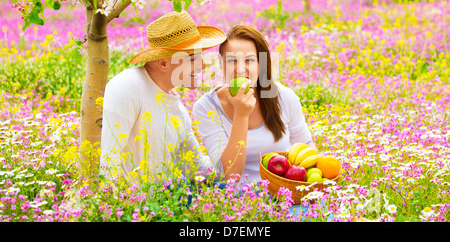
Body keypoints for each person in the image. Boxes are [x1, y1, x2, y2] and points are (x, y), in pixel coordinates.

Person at [100, 11, 227, 185]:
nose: (203, 65)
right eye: (193, 58)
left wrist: (243, 166)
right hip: (129, 207)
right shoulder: (127, 87)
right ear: (164, 64)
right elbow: (107, 162)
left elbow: (197, 168)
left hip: (160, 205)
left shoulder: (178, 111)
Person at [192, 25, 318, 184]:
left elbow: (307, 148)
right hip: (239, 200)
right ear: (221, 63)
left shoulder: (284, 97)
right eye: (232, 60)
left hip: (284, 190)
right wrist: (241, 114)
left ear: (261, 64)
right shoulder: (207, 107)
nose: (240, 69)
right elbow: (230, 174)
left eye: (249, 60)